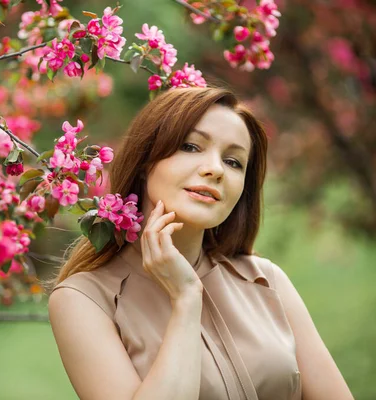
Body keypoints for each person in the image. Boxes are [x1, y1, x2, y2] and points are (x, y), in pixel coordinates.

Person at [47, 87, 353, 400]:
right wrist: (186, 300)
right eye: (191, 146)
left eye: (234, 162)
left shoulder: (265, 280)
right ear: (144, 161)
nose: (216, 169)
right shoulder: (84, 300)